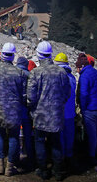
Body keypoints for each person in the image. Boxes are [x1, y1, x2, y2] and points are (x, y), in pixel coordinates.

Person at [27, 41, 71, 181]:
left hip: (40, 115)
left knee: (39, 142)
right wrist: (58, 105)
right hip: (56, 115)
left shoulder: (35, 73)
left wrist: (33, 109)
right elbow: (67, 93)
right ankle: (58, 172)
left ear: (39, 55)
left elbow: (31, 97)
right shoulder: (61, 72)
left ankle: (43, 170)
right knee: (56, 142)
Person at [0, 43, 27, 176]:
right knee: (14, 136)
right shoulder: (19, 73)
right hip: (15, 110)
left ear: (2, 55)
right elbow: (25, 94)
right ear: (13, 56)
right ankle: (10, 167)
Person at [75, 53, 97, 168]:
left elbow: (83, 95)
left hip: (91, 110)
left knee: (92, 134)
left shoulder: (84, 76)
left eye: (77, 68)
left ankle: (92, 157)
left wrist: (83, 109)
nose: (77, 71)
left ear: (81, 67)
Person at [54, 53, 77, 170]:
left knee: (60, 137)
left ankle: (61, 160)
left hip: (59, 113)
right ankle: (69, 156)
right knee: (70, 136)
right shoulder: (72, 77)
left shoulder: (58, 78)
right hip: (70, 113)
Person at [16, 57, 34, 167]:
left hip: (15, 108)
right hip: (27, 108)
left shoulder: (13, 74)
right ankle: (30, 158)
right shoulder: (30, 75)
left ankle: (16, 158)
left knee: (15, 134)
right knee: (28, 134)